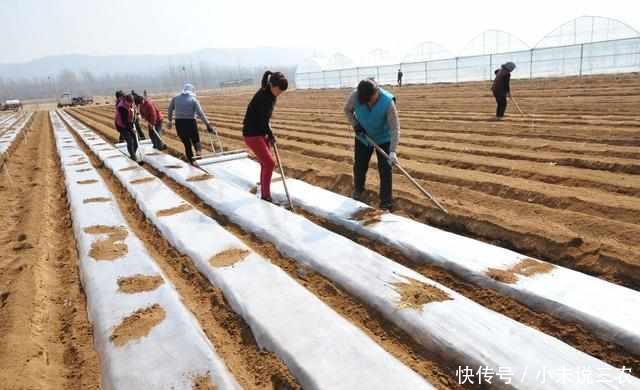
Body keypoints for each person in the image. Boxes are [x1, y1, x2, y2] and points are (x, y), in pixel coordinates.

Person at [344, 79, 400, 211]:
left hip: (383, 138)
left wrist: (392, 151)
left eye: (370, 99)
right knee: (359, 166)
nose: (369, 103)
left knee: (385, 170)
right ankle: (358, 191)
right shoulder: (355, 96)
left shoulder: (388, 102)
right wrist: (356, 125)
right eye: (365, 101)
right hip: (363, 137)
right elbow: (347, 110)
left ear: (376, 93)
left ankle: (386, 203)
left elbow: (395, 128)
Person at [242, 71, 288, 203]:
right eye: (279, 90)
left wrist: (269, 133)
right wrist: (270, 134)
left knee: (265, 163)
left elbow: (265, 119)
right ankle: (265, 196)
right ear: (273, 85)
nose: (279, 93)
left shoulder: (269, 94)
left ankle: (264, 191)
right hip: (252, 133)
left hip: (259, 131)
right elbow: (262, 120)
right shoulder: (264, 97)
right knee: (269, 163)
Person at [167, 83, 214, 164]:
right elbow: (200, 113)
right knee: (196, 139)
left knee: (187, 143)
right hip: (191, 122)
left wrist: (170, 121)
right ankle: (198, 153)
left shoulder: (175, 98)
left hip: (179, 123)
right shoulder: (193, 100)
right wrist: (208, 124)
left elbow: (170, 109)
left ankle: (191, 161)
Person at [114, 94, 142, 164]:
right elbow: (125, 122)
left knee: (136, 139)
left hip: (129, 123)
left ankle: (132, 153)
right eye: (129, 102)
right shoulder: (122, 107)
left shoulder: (132, 104)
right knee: (130, 140)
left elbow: (134, 111)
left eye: (131, 102)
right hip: (121, 126)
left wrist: (137, 115)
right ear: (125, 101)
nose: (130, 104)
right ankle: (133, 156)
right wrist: (132, 129)